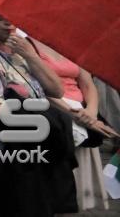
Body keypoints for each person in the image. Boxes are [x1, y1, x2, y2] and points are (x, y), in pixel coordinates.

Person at [0, 3, 76, 216]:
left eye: (10, 16)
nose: (8, 22)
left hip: (37, 142)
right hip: (7, 149)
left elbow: (55, 90)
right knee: (13, 206)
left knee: (37, 205)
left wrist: (30, 56)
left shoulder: (17, 51)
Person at [36, 42, 117, 211]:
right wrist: (76, 114)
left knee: (76, 191)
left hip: (83, 114)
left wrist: (91, 112)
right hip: (55, 114)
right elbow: (38, 86)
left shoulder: (73, 46)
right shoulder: (27, 44)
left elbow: (88, 83)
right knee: (56, 188)